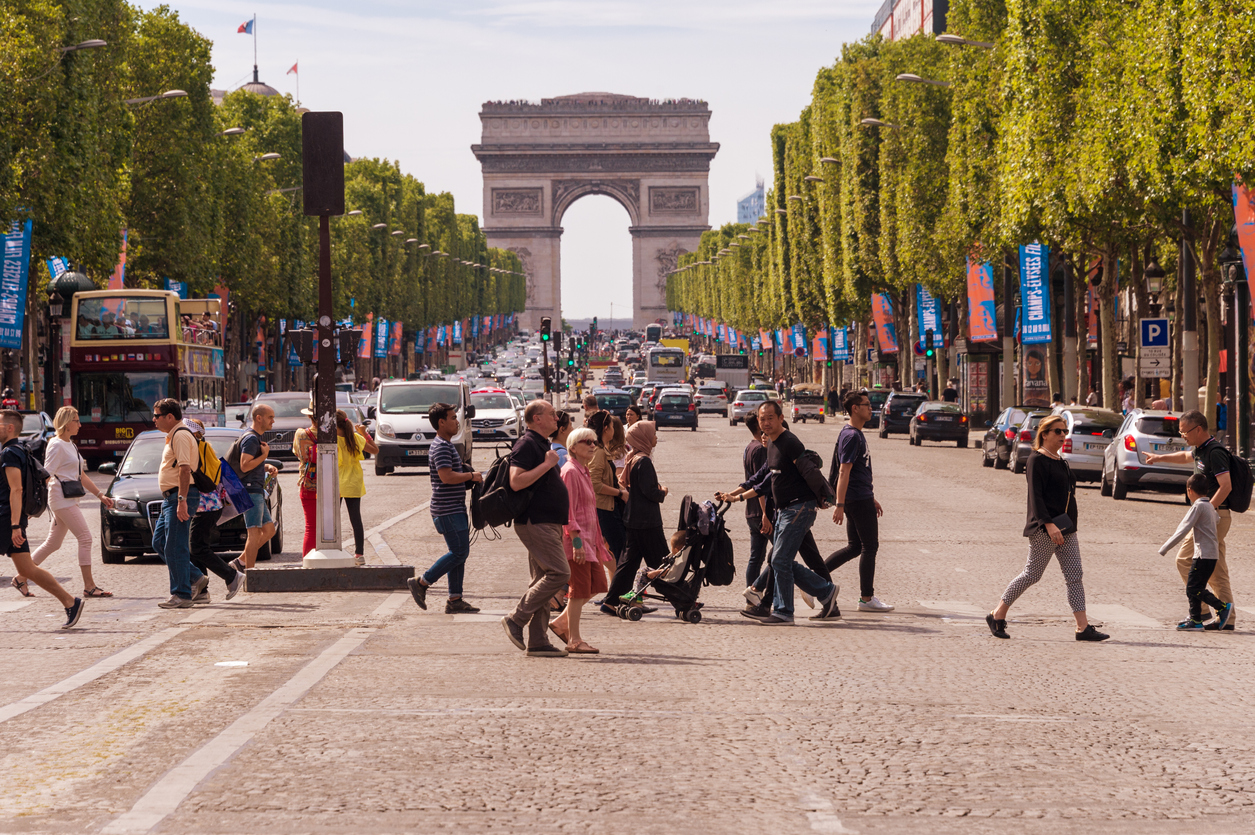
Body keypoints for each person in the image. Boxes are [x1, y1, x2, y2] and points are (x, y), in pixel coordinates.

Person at [986, 414, 1109, 641]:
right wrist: (1049, 524)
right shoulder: (1036, 460)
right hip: (1046, 529)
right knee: (1032, 574)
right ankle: (998, 613)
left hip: (1066, 528)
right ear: (1045, 434)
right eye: (1058, 431)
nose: (1063, 435)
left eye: (1065, 431)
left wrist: (1066, 524)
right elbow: (1036, 497)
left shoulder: (1059, 459)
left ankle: (1083, 627)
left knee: (1075, 576)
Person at [748, 401, 840, 625]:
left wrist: (826, 497)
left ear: (781, 418)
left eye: (771, 417)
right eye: (762, 419)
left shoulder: (789, 441)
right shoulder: (770, 444)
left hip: (799, 507)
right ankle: (826, 593)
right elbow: (766, 481)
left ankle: (783, 610)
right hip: (785, 510)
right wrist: (738, 495)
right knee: (779, 559)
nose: (766, 422)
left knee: (779, 559)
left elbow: (809, 469)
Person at [1146, 409, 1236, 630]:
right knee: (1216, 569)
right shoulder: (1200, 449)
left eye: (1184, 432)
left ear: (1198, 429)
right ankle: (1226, 618)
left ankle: (1201, 612)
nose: (1182, 436)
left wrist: (1207, 511)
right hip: (1213, 516)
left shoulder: (1215, 452)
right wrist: (1159, 458)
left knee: (1185, 560)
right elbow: (1185, 456)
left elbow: (1226, 486)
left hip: (1215, 516)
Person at [16, 407, 116, 599]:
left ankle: (21, 577)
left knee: (52, 543)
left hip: (70, 499)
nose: (80, 424)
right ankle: (89, 586)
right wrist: (36, 503)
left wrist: (100, 495)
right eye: (76, 420)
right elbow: (46, 474)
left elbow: (81, 474)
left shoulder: (70, 444)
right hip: (61, 500)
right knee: (85, 538)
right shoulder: (56, 444)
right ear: (67, 422)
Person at [501, 400, 571, 658]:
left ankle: (538, 640)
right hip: (535, 521)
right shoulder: (527, 444)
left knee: (542, 579)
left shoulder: (541, 443)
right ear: (537, 419)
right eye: (552, 414)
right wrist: (547, 463)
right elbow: (516, 481)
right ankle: (516, 619)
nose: (557, 418)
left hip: (547, 522)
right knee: (560, 574)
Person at [1, 411, 83, 627]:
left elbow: (16, 489)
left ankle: (70, 601)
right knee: (27, 570)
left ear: (10, 427)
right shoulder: (21, 449)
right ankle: (69, 601)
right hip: (12, 519)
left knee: (28, 568)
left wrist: (15, 525)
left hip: (7, 520)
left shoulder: (10, 453)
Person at [408, 403, 482, 614]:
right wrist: (471, 476)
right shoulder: (441, 446)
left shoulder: (446, 445)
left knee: (458, 553)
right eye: (452, 418)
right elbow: (446, 477)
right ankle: (422, 582)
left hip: (453, 508)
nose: (457, 422)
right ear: (441, 422)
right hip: (447, 509)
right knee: (459, 552)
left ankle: (455, 599)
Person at [547, 427, 613, 654]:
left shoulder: (583, 470)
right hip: (577, 542)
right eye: (587, 442)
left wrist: (599, 539)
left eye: (594, 441)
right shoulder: (571, 472)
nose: (593, 445)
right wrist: (577, 544)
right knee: (579, 590)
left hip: (589, 541)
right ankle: (574, 640)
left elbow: (589, 512)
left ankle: (561, 623)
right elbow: (568, 513)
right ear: (573, 447)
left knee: (596, 586)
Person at [826, 391, 893, 612]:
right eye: (866, 404)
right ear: (855, 408)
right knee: (869, 547)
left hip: (860, 496)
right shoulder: (852, 435)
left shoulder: (853, 433)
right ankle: (866, 598)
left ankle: (815, 578)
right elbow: (844, 471)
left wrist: (871, 497)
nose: (870, 408)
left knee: (855, 547)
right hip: (856, 498)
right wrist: (839, 504)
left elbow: (857, 472)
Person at [602, 421, 669, 615]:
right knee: (663, 563)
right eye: (653, 435)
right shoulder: (643, 461)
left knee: (627, 564)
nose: (655, 438)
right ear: (644, 438)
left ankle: (611, 601)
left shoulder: (632, 458)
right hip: (647, 521)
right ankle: (683, 600)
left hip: (634, 519)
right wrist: (662, 491)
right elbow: (650, 493)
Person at [151, 398, 208, 609]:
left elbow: (185, 469)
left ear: (169, 417)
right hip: (171, 497)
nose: (153, 419)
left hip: (180, 496)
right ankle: (196, 577)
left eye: (156, 415)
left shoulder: (181, 435)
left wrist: (182, 501)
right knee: (160, 543)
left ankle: (182, 594)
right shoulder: (173, 435)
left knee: (176, 546)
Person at [1161, 474, 1233, 631]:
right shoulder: (1209, 506)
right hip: (1210, 555)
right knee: (1195, 586)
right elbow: (1217, 519)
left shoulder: (1198, 507)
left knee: (1193, 588)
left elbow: (1183, 529)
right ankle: (1196, 619)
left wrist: (1164, 548)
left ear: (1189, 491)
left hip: (1202, 555)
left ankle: (1222, 606)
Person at [184, 419, 245, 602]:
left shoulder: (196, 449)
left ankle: (231, 576)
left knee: (197, 547)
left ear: (193, 434)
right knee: (195, 547)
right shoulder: (205, 447)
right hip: (209, 505)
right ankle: (202, 591)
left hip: (205, 505)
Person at [228, 403, 277, 573]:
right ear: (259, 418)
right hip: (249, 491)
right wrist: (264, 455)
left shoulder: (254, 438)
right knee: (253, 533)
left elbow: (251, 464)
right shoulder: (250, 439)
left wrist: (266, 465)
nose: (273, 421)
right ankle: (250, 574)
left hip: (256, 490)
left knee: (269, 530)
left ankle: (240, 562)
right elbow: (244, 465)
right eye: (270, 417)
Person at [586, 411, 628, 567]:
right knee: (620, 552)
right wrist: (619, 493)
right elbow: (595, 484)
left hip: (609, 506)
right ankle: (619, 589)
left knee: (619, 551)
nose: (613, 430)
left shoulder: (603, 450)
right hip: (604, 508)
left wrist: (621, 488)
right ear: (605, 428)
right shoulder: (598, 452)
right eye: (611, 426)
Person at [337, 409, 378, 566]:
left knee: (332, 520)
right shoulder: (355, 438)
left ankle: (334, 549)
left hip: (336, 482)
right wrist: (364, 433)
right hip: (353, 481)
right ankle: (359, 554)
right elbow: (375, 450)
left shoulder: (331, 440)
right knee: (356, 519)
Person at [293, 407, 319, 557]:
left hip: (309, 483)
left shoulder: (301, 434)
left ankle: (308, 561)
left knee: (310, 527)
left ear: (310, 417)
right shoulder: (335, 435)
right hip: (331, 485)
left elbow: (297, 453)